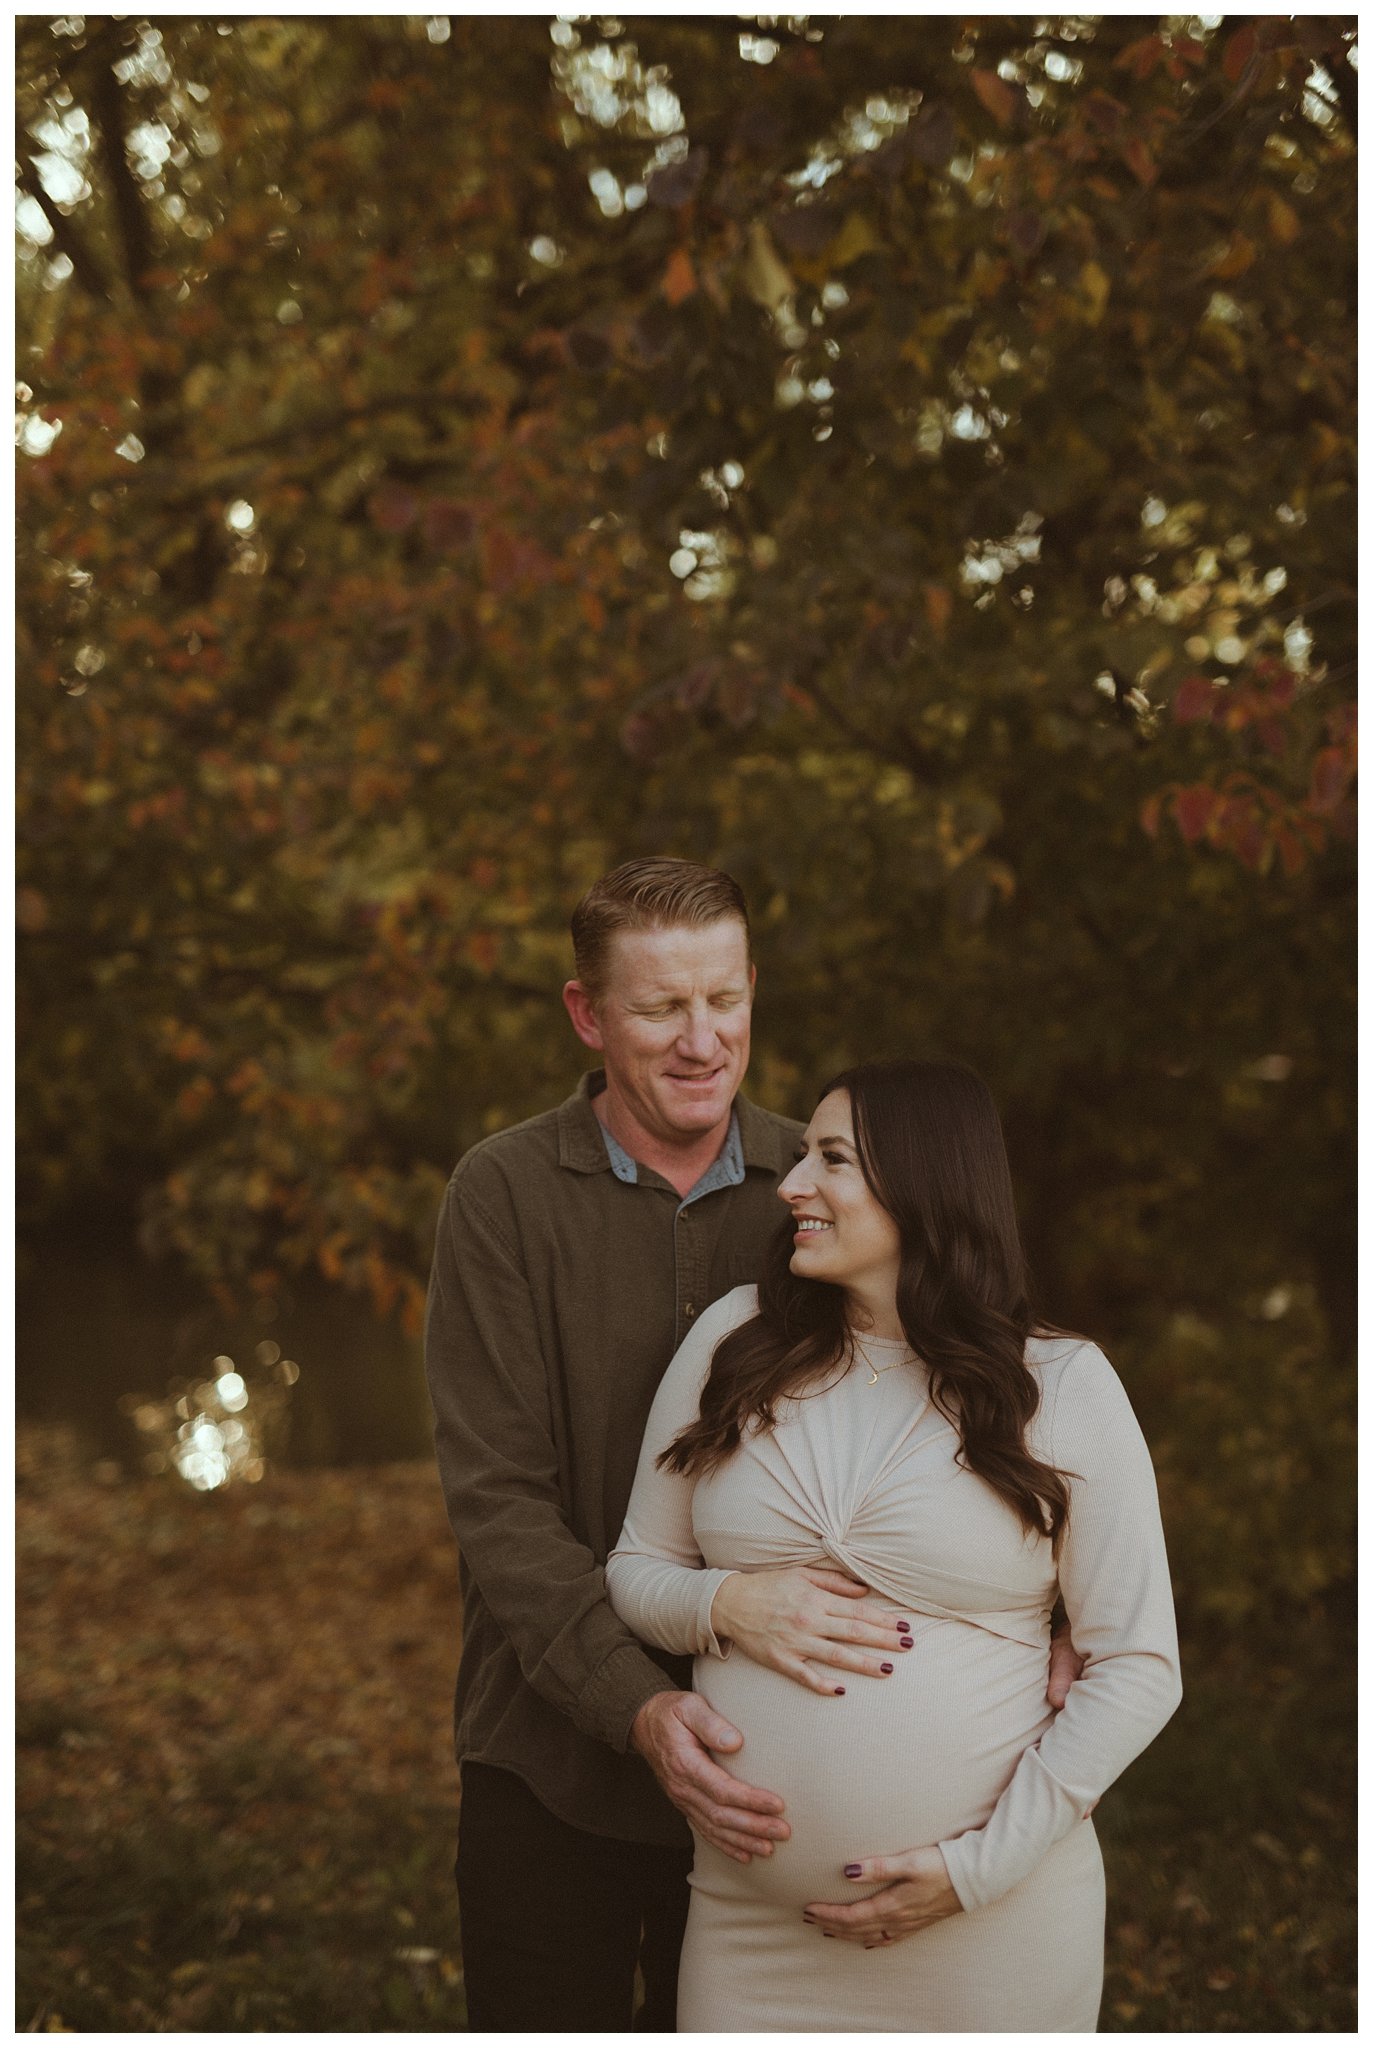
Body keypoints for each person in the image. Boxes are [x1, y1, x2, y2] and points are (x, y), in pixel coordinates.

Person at [424, 859, 943, 2032]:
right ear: (586, 1011)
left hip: (782, 1770)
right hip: (549, 1764)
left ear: (753, 985)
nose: (702, 1039)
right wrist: (638, 1709)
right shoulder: (501, 1194)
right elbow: (501, 1506)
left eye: (725, 998)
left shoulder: (824, 1180)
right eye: (661, 1006)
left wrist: (1053, 1615)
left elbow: (948, 1408)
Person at [606, 1058, 1182, 2032]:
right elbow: (633, 1567)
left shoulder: (1059, 1384)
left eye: (829, 1158)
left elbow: (1136, 1665)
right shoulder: (730, 1343)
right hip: (750, 1933)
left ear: (923, 1182)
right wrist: (724, 1603)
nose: (789, 1186)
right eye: (799, 1157)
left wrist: (973, 1868)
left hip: (986, 1927)